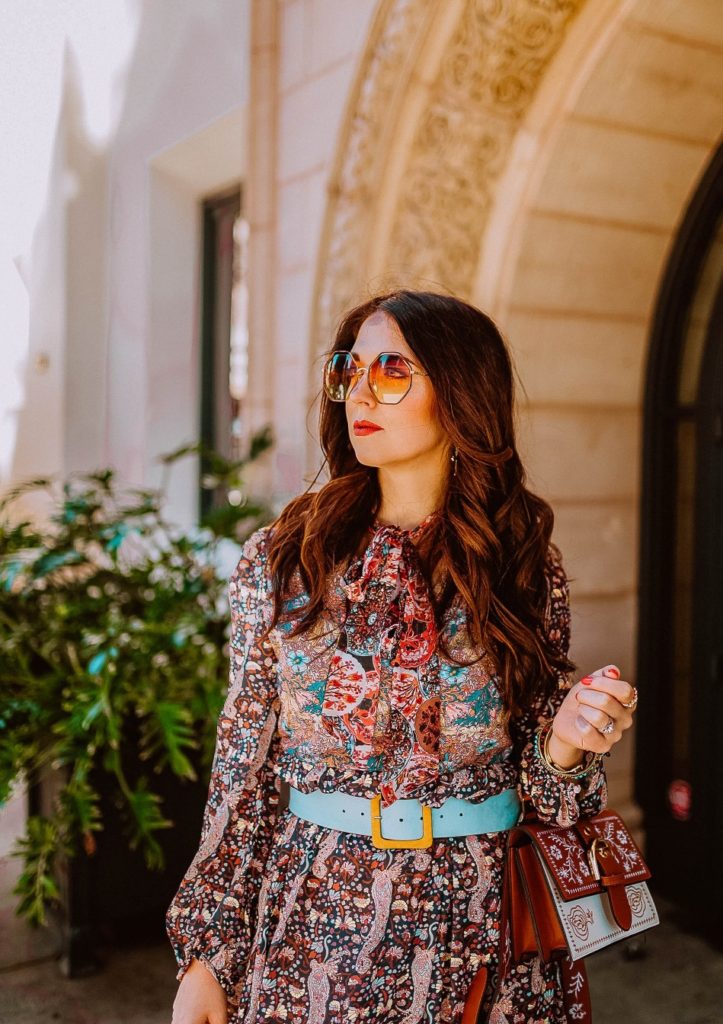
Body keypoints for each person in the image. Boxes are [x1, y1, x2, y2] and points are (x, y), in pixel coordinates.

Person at [166, 289, 638, 1024]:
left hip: (484, 928)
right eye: (349, 370)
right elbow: (242, 765)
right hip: (318, 924)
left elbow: (552, 798)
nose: (361, 389)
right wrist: (208, 954)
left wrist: (569, 742)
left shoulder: (519, 562)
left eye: (392, 371)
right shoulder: (287, 558)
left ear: (458, 393)